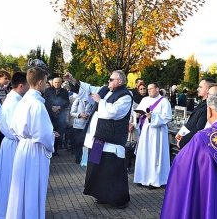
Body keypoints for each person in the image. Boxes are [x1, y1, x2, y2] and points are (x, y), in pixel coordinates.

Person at [74, 70, 132, 209]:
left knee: (111, 169)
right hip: (97, 138)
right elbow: (89, 89)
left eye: (111, 79)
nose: (109, 81)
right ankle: (101, 195)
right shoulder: (105, 90)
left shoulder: (125, 96)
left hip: (111, 139)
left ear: (120, 82)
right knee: (96, 168)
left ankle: (120, 199)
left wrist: (101, 101)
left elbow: (113, 112)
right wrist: (73, 81)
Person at [5, 67, 58, 219]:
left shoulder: (22, 101)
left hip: (22, 147)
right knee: (32, 188)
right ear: (40, 82)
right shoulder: (37, 104)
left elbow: (13, 128)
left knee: (20, 188)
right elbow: (43, 134)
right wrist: (51, 137)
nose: (46, 85)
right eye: (46, 82)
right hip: (35, 150)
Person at [0, 72, 29, 219]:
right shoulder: (14, 102)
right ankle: (10, 212)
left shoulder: (13, 98)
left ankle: (8, 210)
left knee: (10, 179)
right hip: (14, 143)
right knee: (12, 180)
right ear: (21, 86)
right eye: (28, 85)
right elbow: (16, 128)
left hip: (12, 143)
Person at [134, 82, 172, 189]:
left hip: (157, 133)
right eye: (148, 89)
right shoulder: (145, 100)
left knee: (155, 155)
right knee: (144, 154)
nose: (149, 90)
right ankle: (142, 178)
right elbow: (138, 112)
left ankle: (155, 180)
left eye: (151, 89)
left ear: (157, 89)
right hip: (145, 131)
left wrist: (152, 117)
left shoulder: (164, 102)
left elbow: (168, 117)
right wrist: (137, 116)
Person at [177, 77, 216, 149]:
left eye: (200, 87)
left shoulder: (208, 107)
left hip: (194, 146)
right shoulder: (202, 104)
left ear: (208, 90)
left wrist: (183, 141)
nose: (198, 89)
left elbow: (199, 129)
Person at [44, 77, 69, 156]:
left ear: (61, 83)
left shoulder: (64, 92)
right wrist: (52, 108)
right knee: (50, 132)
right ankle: (48, 148)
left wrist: (59, 107)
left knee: (59, 133)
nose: (57, 84)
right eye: (55, 82)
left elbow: (67, 102)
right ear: (52, 83)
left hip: (60, 116)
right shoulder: (48, 91)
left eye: (58, 82)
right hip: (50, 116)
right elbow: (45, 101)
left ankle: (55, 149)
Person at [70, 96, 92, 164]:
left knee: (86, 143)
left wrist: (88, 115)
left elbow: (94, 111)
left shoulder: (92, 101)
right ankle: (77, 157)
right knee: (78, 142)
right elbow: (72, 112)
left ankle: (85, 158)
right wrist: (79, 115)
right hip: (78, 125)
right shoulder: (78, 100)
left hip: (87, 125)